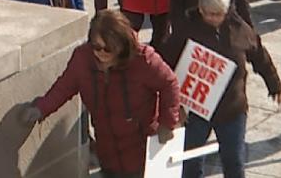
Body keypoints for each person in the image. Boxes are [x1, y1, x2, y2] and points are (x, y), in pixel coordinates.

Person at [21, 10, 180, 178]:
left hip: (142, 153)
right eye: (97, 47)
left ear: (122, 44)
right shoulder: (82, 59)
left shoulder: (144, 59)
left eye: (109, 48)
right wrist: (41, 109)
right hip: (108, 153)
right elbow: (63, 87)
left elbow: (169, 84)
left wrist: (167, 123)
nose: (102, 53)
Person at [162, 0, 281, 178]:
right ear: (200, 8)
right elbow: (165, 67)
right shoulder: (185, 31)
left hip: (232, 109)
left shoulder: (239, 28)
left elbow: (259, 54)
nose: (215, 18)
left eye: (220, 13)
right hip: (195, 112)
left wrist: (274, 84)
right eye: (210, 13)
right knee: (190, 164)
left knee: (234, 162)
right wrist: (173, 105)